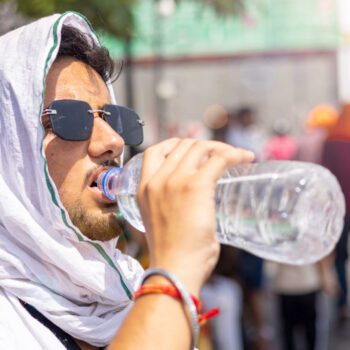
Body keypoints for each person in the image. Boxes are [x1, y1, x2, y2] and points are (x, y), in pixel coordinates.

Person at [0, 12, 255, 350]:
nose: (113, 142)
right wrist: (174, 268)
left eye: (113, 117)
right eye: (71, 118)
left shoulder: (126, 288)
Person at [322, 103, 350, 324]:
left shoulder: (331, 141)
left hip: (340, 210)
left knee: (339, 258)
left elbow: (326, 177)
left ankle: (342, 305)